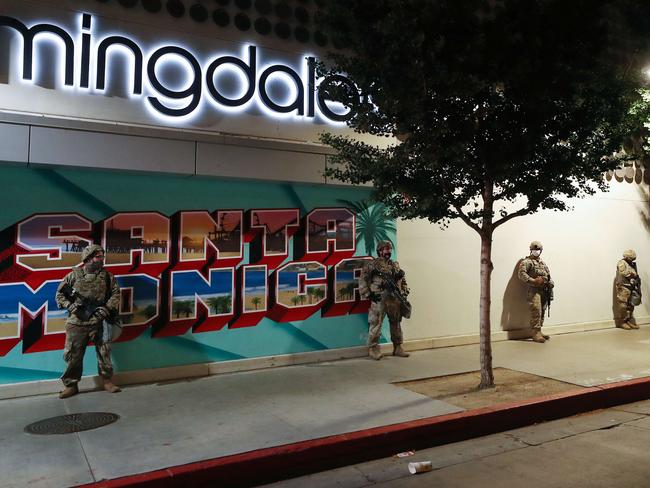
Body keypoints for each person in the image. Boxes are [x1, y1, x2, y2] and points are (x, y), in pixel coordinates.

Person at [55, 244, 121, 398]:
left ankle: (107, 381)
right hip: (77, 323)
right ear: (88, 258)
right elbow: (59, 295)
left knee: (104, 352)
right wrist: (72, 307)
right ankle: (71, 385)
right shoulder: (73, 276)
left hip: (100, 321)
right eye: (98, 257)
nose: (101, 259)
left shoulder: (107, 276)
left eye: (102, 256)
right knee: (74, 356)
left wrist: (105, 310)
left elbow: (116, 294)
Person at [359, 240, 410, 360]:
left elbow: (402, 281)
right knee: (376, 323)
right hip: (379, 298)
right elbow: (363, 280)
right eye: (386, 249)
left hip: (394, 299)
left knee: (396, 323)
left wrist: (404, 291)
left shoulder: (394, 265)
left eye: (390, 249)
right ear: (380, 250)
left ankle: (398, 347)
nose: (388, 251)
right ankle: (373, 348)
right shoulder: (372, 265)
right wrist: (368, 294)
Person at [518, 241, 554, 343]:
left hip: (544, 290)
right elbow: (521, 274)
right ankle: (535, 332)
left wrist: (550, 282)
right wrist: (533, 281)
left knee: (542, 310)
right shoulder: (527, 262)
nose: (536, 251)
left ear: (541, 251)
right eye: (534, 250)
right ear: (530, 250)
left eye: (538, 250)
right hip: (534, 290)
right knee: (536, 310)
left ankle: (539, 330)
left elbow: (548, 275)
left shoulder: (542, 263)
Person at [615, 249, 642, 330]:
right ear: (626, 257)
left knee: (631, 305)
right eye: (630, 258)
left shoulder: (632, 264)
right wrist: (632, 275)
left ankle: (628, 321)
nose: (632, 260)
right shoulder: (621, 263)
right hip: (623, 287)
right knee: (623, 305)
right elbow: (624, 272)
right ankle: (622, 322)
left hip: (632, 286)